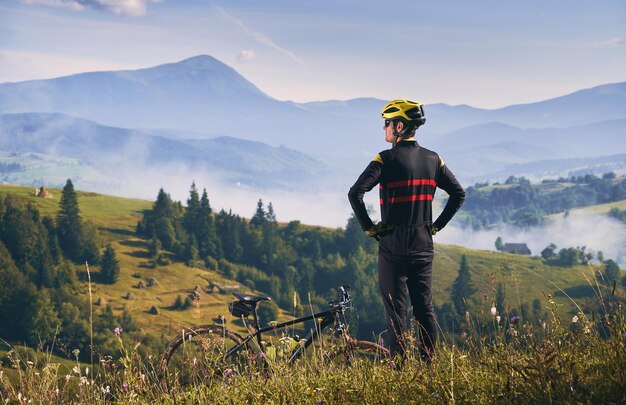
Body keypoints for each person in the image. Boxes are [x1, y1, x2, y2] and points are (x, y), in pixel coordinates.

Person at [348, 99, 466, 361]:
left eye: (387, 123)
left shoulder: (385, 159)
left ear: (399, 126)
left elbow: (355, 193)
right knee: (425, 309)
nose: (384, 128)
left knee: (396, 313)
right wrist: (436, 226)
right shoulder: (434, 160)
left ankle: (399, 369)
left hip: (393, 245)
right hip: (423, 244)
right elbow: (459, 194)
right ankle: (428, 367)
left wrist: (369, 228)